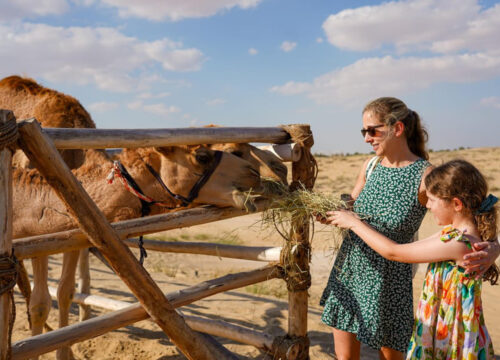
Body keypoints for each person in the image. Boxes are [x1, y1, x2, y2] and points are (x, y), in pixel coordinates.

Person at [317, 97, 499, 360]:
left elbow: (470, 210)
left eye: (372, 130)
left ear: (397, 129)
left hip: (389, 280)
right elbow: (352, 204)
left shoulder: (425, 175)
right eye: (363, 131)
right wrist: (333, 211)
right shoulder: (370, 166)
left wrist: (493, 247)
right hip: (351, 267)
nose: (367, 138)